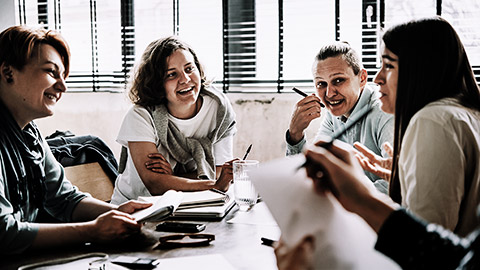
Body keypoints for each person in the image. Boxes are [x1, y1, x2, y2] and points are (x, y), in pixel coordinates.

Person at [276, 17, 480, 269]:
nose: (378, 77)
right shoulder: (461, 111)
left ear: (421, 68)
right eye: (321, 84)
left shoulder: (432, 119)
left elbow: (424, 245)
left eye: (389, 66)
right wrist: (401, 177)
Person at [0, 25, 151, 254]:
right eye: (51, 72)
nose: (63, 86)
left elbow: (64, 199)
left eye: (63, 76)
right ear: (8, 73)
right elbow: (3, 233)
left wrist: (121, 211)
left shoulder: (30, 133)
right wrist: (92, 230)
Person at [111, 36, 237, 205]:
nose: (185, 79)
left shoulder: (219, 109)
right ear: (157, 83)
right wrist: (214, 184)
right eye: (171, 74)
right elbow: (155, 183)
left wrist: (172, 178)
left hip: (189, 205)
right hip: (136, 207)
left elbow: (218, 172)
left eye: (189, 68)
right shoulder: (140, 115)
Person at [285, 41, 393, 187]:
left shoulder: (385, 112)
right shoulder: (334, 113)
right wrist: (295, 134)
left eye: (338, 80)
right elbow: (309, 170)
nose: (329, 94)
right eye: (321, 84)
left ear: (362, 78)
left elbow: (395, 186)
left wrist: (339, 197)